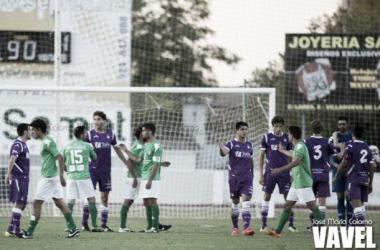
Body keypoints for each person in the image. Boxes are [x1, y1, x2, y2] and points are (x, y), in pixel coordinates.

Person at [23, 119, 79, 239]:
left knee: (37, 203)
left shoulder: (47, 141)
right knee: (60, 203)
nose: (32, 132)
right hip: (52, 177)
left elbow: (59, 157)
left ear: (39, 130)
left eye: (33, 129)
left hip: (48, 178)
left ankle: (29, 232)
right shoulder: (45, 141)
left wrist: (61, 176)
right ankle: (74, 229)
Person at [82, 111, 137, 232]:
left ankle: (103, 225)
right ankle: (84, 224)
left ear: (104, 121)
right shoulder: (89, 135)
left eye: (99, 119)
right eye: (95, 119)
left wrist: (126, 162)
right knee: (88, 197)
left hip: (106, 171)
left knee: (105, 197)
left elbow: (117, 149)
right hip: (92, 170)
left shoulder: (110, 135)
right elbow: (83, 150)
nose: (96, 121)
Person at [265, 126, 323, 238]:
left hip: (303, 183)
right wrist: (282, 151)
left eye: (288, 133)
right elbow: (294, 155)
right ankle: (278, 231)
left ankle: (323, 231)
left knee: (313, 206)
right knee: (287, 205)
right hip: (296, 183)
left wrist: (280, 169)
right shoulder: (297, 146)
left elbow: (297, 161)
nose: (287, 135)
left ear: (291, 135)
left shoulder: (300, 146)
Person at [118, 126, 171, 232]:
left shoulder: (147, 145)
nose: (143, 133)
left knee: (142, 201)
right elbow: (131, 161)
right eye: (141, 132)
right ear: (140, 136)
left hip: (138, 177)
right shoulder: (139, 146)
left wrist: (161, 163)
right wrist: (134, 177)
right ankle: (154, 226)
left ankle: (150, 226)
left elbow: (145, 160)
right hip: (137, 177)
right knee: (148, 201)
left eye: (144, 131)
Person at [258, 116, 297, 232]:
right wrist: (261, 174)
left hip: (284, 173)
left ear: (283, 126)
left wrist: (291, 173)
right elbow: (261, 156)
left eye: (280, 126)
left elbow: (291, 156)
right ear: (272, 126)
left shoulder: (287, 138)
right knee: (266, 196)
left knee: (288, 198)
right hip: (270, 172)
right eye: (276, 126)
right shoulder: (266, 137)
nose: (278, 128)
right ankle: (263, 225)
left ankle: (291, 225)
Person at [333, 126, 376, 228]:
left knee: (355, 205)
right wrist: (370, 183)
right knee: (358, 204)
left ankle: (362, 229)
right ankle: (353, 226)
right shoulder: (367, 147)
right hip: (365, 179)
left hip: (354, 179)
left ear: (353, 135)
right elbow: (372, 166)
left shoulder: (351, 146)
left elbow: (343, 163)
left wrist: (336, 176)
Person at [303, 120, 343, 231]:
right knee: (321, 203)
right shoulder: (326, 143)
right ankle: (320, 227)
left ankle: (313, 226)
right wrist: (344, 151)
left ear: (311, 129)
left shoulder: (305, 142)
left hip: (309, 176)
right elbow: (338, 157)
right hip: (323, 175)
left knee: (312, 202)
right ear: (322, 129)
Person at [62, 126, 103, 232]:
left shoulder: (67, 147)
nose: (85, 135)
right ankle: (94, 225)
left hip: (71, 177)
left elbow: (62, 164)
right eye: (84, 134)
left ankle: (68, 226)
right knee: (91, 199)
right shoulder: (87, 146)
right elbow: (94, 159)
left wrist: (69, 171)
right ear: (81, 135)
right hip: (84, 177)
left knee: (70, 201)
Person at [219, 121, 255, 236]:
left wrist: (252, 174)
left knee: (246, 202)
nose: (244, 131)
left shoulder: (250, 145)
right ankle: (235, 228)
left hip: (247, 178)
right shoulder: (231, 144)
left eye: (246, 129)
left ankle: (246, 228)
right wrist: (221, 148)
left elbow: (250, 159)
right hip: (234, 178)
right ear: (237, 130)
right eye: (242, 129)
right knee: (235, 203)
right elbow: (224, 153)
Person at [4, 123, 31, 238]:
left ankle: (10, 229)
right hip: (19, 178)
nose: (32, 132)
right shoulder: (18, 144)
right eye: (30, 130)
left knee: (23, 204)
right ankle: (17, 231)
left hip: (24, 178)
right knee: (19, 203)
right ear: (25, 132)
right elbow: (12, 159)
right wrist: (8, 174)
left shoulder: (24, 145)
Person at [138, 122, 162, 233]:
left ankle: (155, 227)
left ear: (150, 131)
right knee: (146, 202)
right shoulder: (146, 144)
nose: (142, 133)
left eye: (144, 130)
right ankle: (149, 227)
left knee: (153, 201)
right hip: (144, 177)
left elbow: (156, 164)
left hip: (152, 178)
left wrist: (150, 180)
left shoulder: (156, 145)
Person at [330, 116, 353, 226]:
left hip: (349, 171)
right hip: (337, 172)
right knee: (340, 198)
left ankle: (349, 223)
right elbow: (330, 158)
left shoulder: (352, 137)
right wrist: (338, 166)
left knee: (349, 198)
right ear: (337, 125)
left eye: (344, 124)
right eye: (340, 124)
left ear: (347, 125)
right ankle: (342, 224)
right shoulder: (332, 139)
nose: (342, 126)